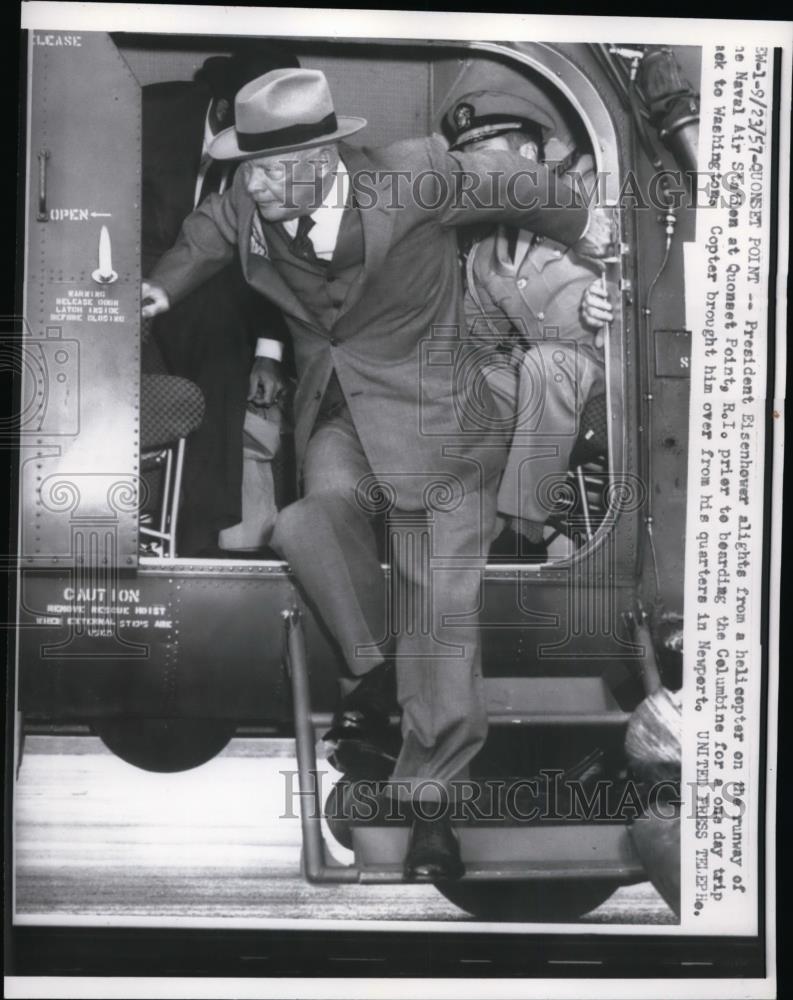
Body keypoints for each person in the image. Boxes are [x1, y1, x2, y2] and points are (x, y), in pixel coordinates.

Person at [141, 68, 613, 881]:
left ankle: (431, 809)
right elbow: (206, 235)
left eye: (269, 167)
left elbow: (523, 182)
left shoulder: (414, 174)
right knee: (305, 523)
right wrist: (155, 288)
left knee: (437, 598)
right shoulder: (251, 202)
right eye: (245, 166)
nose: (253, 183)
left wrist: (594, 243)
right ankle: (380, 670)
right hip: (339, 414)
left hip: (443, 415)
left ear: (322, 158)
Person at [443, 90, 615, 557]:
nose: (477, 178)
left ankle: (524, 532)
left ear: (527, 156)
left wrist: (612, 295)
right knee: (460, 379)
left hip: (608, 371)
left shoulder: (596, 195)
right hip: (543, 380)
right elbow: (477, 342)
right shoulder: (482, 256)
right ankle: (459, 522)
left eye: (486, 162)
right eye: (468, 167)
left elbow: (644, 273)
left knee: (546, 362)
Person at [141, 48, 297, 556]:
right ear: (226, 110)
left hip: (223, 298)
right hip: (134, 281)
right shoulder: (147, 113)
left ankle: (202, 533)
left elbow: (281, 252)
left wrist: (268, 354)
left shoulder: (276, 158)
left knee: (225, 334)